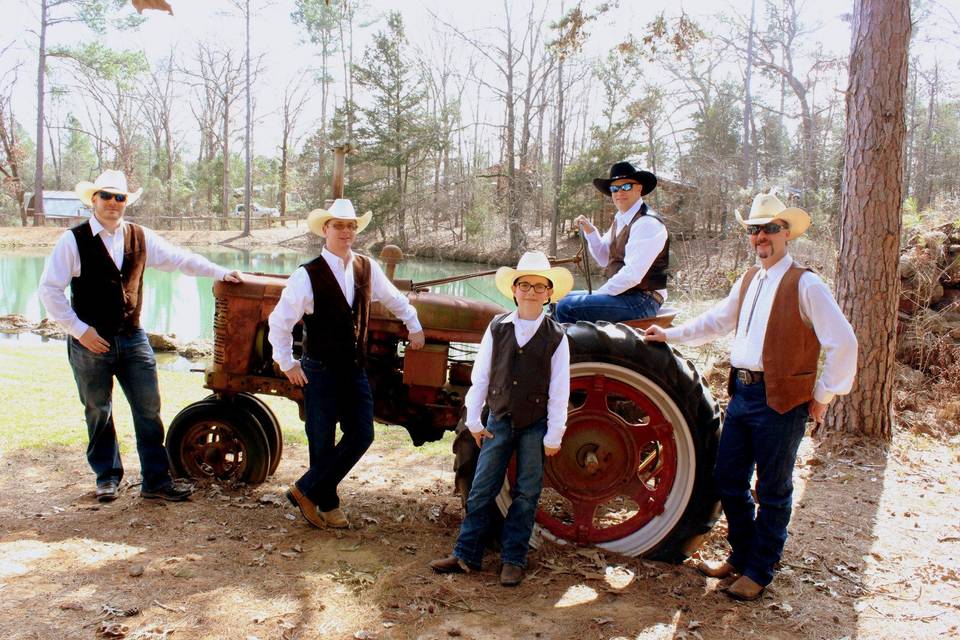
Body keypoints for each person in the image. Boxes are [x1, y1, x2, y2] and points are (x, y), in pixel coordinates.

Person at [645, 192, 858, 601]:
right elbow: (717, 321)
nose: (761, 236)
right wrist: (669, 334)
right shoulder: (749, 279)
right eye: (755, 229)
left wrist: (824, 393)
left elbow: (843, 342)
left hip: (782, 400)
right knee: (728, 479)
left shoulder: (806, 283)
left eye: (770, 229)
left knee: (773, 490)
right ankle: (741, 557)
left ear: (786, 234)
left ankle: (760, 571)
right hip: (743, 392)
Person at [38, 169, 244, 503]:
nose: (113, 203)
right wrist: (80, 331)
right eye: (106, 196)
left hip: (133, 338)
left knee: (149, 410)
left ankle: (156, 482)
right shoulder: (72, 241)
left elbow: (180, 259)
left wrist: (220, 271)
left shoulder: (139, 236)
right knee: (97, 410)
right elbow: (49, 290)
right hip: (91, 342)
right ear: (94, 200)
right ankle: (107, 476)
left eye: (119, 197)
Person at [268, 199, 425, 529]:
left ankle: (305, 489)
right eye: (338, 225)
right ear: (325, 229)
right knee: (321, 438)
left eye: (351, 225)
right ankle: (328, 504)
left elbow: (394, 298)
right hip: (319, 369)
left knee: (362, 433)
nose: (346, 231)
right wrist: (287, 363)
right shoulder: (306, 275)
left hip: (354, 368)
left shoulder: (366, 268)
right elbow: (279, 321)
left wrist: (414, 323)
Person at [430, 251, 572, 586]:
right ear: (514, 289)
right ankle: (467, 555)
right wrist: (476, 421)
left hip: (534, 426)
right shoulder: (498, 327)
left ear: (550, 293)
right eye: (525, 285)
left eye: (540, 286)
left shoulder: (556, 337)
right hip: (498, 420)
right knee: (481, 489)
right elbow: (481, 377)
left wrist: (554, 434)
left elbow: (559, 389)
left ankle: (514, 559)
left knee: (526, 493)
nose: (532, 292)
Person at [554, 161, 668, 323]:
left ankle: (573, 348)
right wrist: (590, 231)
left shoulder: (647, 223)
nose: (619, 192)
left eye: (626, 186)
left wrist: (599, 293)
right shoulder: (620, 219)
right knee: (557, 300)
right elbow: (604, 259)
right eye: (614, 188)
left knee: (567, 307)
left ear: (639, 188)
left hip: (643, 300)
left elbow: (632, 275)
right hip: (625, 295)